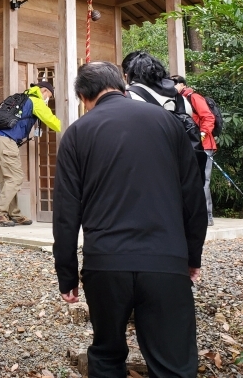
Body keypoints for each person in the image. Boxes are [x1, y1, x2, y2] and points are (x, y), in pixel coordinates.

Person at [53, 62, 207, 378]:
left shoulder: (78, 133)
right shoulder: (168, 123)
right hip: (166, 260)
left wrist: (66, 276)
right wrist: (192, 257)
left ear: (83, 96)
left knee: (107, 355)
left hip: (105, 263)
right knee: (173, 363)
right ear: (123, 87)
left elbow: (66, 214)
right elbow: (193, 197)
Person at [0, 81, 61, 226]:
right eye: (49, 95)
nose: (48, 98)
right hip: (7, 141)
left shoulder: (22, 98)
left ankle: (14, 213)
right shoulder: (36, 101)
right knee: (16, 178)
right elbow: (53, 122)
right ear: (43, 90)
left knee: (7, 179)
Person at [173, 75, 217, 226]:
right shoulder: (177, 100)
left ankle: (207, 217)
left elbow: (208, 117)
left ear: (183, 85)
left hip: (204, 146)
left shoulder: (194, 97)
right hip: (191, 146)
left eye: (175, 83)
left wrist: (202, 135)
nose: (172, 86)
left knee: (203, 181)